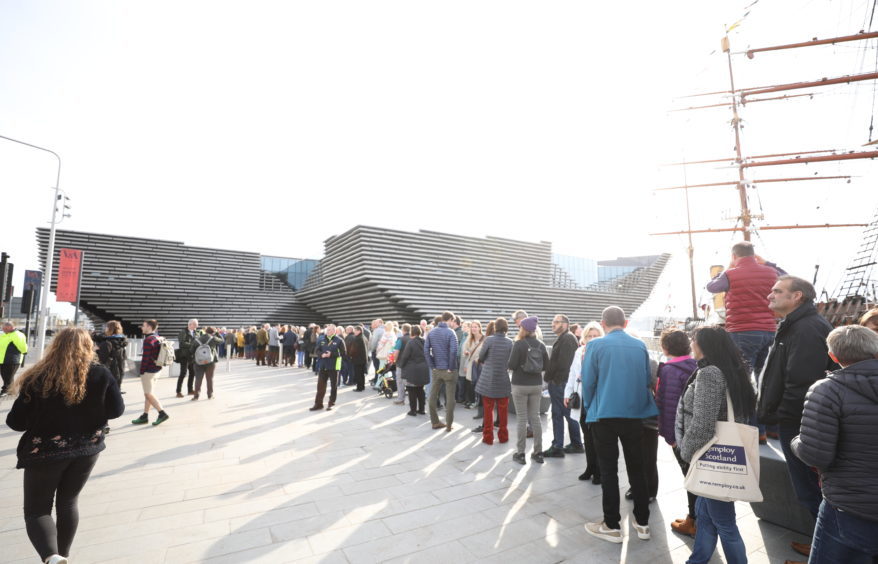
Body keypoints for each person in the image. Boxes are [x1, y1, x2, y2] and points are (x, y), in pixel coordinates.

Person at [6, 327, 125, 564]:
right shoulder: (101, 374)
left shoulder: (38, 376)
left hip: (45, 453)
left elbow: (15, 422)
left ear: (55, 346)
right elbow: (117, 410)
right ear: (89, 346)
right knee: (68, 502)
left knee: (37, 510)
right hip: (86, 450)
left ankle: (52, 556)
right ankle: (63, 556)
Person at [759, 275, 835, 561]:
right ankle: (822, 543)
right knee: (809, 490)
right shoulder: (796, 326)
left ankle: (826, 552)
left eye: (777, 291)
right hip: (795, 421)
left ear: (797, 297)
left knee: (810, 491)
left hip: (799, 423)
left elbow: (801, 383)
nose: (770, 296)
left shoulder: (805, 329)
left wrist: (781, 417)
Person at [791, 325, 878, 563]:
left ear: (833, 357)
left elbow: (816, 456)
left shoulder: (827, 390)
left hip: (849, 508)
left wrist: (795, 442)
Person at [676, 326, 756, 564]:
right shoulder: (734, 369)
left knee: (725, 523)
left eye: (694, 340)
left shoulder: (710, 373)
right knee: (704, 514)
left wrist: (686, 453)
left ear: (704, 345)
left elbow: (703, 422)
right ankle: (697, 559)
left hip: (711, 456)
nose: (691, 344)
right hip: (723, 453)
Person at [582, 306, 657, 544]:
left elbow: (588, 383)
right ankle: (643, 523)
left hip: (604, 415)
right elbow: (647, 380)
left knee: (608, 471)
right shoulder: (640, 345)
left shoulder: (594, 346)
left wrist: (589, 407)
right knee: (638, 468)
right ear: (625, 323)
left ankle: (612, 525)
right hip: (634, 416)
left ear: (603, 324)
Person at [653, 329, 699, 537]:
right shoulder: (695, 364)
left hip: (681, 434)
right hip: (695, 430)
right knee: (694, 474)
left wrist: (671, 438)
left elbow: (670, 405)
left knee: (690, 476)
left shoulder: (670, 370)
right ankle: (696, 517)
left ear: (665, 348)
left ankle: (695, 520)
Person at [564, 321, 604, 483]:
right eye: (589, 335)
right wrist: (567, 393)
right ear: (584, 337)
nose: (592, 338)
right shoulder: (579, 351)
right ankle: (590, 467)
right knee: (587, 437)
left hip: (597, 400)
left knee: (597, 438)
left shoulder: (603, 352)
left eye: (596, 335)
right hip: (581, 399)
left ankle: (599, 472)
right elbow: (572, 374)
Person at [508, 316, 549, 464]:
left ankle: (520, 453)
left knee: (522, 418)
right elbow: (546, 367)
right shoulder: (542, 345)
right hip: (536, 384)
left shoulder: (518, 344)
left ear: (523, 329)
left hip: (519, 384)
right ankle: (538, 453)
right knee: (536, 417)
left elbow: (511, 365)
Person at [543, 314, 583, 458]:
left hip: (560, 383)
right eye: (553, 321)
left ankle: (566, 445)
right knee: (559, 414)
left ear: (565, 324)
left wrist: (550, 379)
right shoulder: (566, 337)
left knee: (564, 414)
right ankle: (564, 444)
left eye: (557, 322)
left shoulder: (567, 338)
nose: (553, 324)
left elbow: (562, 364)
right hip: (560, 382)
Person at [476, 317, 513, 445]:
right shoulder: (509, 342)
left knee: (488, 410)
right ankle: (503, 437)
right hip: (503, 378)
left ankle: (488, 437)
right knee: (503, 411)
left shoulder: (489, 340)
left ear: (495, 327)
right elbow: (511, 361)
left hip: (488, 380)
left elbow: (481, 356)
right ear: (506, 328)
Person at [425, 311, 459, 431]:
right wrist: (450, 367)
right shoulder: (451, 332)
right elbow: (453, 351)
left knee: (432, 396)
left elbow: (426, 350)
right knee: (450, 398)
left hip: (436, 369)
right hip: (449, 370)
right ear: (449, 319)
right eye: (452, 321)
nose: (452, 323)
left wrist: (432, 365)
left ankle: (435, 422)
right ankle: (449, 425)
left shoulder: (432, 332)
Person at [131, 320, 170, 426]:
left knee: (148, 394)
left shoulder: (148, 340)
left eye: (143, 326)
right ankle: (145, 416)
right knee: (149, 394)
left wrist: (141, 371)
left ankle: (162, 413)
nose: (141, 328)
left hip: (149, 371)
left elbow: (146, 358)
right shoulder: (158, 337)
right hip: (157, 369)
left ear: (149, 327)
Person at [310, 324, 346, 411]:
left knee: (334, 386)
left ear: (334, 331)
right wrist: (321, 354)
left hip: (333, 366)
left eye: (330, 330)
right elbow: (317, 350)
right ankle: (318, 404)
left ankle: (331, 403)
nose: (328, 331)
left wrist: (332, 354)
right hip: (323, 366)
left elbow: (343, 353)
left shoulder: (339, 340)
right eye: (327, 329)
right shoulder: (321, 338)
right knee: (320, 386)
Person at [398, 325, 429, 416]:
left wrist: (401, 365)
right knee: (420, 389)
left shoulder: (411, 343)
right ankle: (422, 409)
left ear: (412, 332)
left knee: (411, 390)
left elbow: (405, 356)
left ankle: (413, 410)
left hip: (412, 369)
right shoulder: (424, 341)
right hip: (423, 368)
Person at [190, 326, 223, 401]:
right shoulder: (213, 339)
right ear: (212, 332)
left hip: (198, 362)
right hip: (210, 362)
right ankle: (210, 395)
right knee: (209, 379)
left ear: (205, 331)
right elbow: (222, 341)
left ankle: (196, 396)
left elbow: (191, 351)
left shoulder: (197, 339)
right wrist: (217, 333)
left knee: (198, 379)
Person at [93, 320, 127, 391]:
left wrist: (96, 350)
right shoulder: (122, 341)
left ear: (109, 329)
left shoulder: (107, 343)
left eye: (106, 327)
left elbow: (102, 359)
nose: (105, 329)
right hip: (119, 372)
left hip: (108, 372)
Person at [1, 321, 29, 396]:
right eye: (3, 327)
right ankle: (11, 391)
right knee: (6, 376)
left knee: (8, 376)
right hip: (3, 359)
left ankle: (6, 390)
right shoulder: (5, 334)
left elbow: (22, 346)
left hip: (12, 360)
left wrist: (24, 351)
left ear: (11, 327)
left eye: (5, 328)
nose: (3, 329)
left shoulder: (17, 335)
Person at [462, 321, 485, 409]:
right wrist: (466, 352)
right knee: (471, 384)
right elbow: (464, 351)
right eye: (472, 327)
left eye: (475, 327)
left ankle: (479, 403)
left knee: (479, 384)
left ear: (479, 328)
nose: (473, 329)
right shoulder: (469, 338)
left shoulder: (484, 339)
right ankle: (472, 401)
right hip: (471, 364)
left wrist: (479, 358)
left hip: (480, 365)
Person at [176, 319, 201, 398]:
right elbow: (182, 343)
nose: (197, 326)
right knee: (183, 373)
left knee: (192, 373)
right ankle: (178, 391)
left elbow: (198, 341)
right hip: (184, 356)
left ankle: (190, 390)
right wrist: (192, 345)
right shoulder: (183, 332)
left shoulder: (196, 332)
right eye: (196, 324)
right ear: (191, 324)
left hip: (192, 356)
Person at [348, 325, 369, 392]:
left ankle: (359, 387)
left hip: (358, 359)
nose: (354, 332)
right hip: (363, 358)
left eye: (355, 330)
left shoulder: (358, 338)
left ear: (359, 331)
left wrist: (350, 354)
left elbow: (354, 349)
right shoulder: (364, 337)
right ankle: (362, 386)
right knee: (361, 374)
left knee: (358, 374)